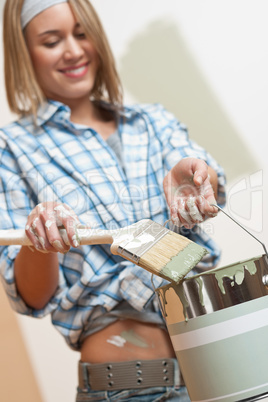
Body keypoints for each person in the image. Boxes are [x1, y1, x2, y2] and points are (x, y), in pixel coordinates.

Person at [0, 0, 226, 400]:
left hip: (219, 371)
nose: (72, 50)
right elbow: (31, 298)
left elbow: (211, 185)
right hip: (126, 387)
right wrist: (40, 236)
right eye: (52, 41)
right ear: (24, 53)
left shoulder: (152, 122)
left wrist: (194, 179)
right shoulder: (11, 149)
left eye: (82, 33)